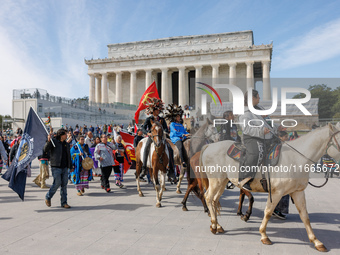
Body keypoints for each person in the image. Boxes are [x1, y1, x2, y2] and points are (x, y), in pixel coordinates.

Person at [238, 90, 284, 191]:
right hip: (252, 138)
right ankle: (245, 178)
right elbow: (246, 129)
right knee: (256, 153)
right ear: (252, 99)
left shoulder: (259, 109)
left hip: (265, 135)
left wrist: (277, 127)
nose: (259, 99)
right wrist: (261, 131)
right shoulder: (245, 112)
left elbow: (266, 123)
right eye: (258, 97)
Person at [140, 98, 176, 181]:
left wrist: (165, 132)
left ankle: (171, 170)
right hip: (152, 137)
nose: (157, 111)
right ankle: (144, 168)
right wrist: (147, 133)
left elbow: (166, 129)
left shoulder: (162, 119)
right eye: (156, 110)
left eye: (158, 110)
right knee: (146, 148)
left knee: (170, 148)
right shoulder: (149, 119)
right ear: (153, 111)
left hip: (161, 137)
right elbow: (143, 129)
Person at [44, 129, 72, 209]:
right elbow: (45, 150)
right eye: (65, 134)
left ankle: (64, 202)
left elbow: (68, 156)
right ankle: (48, 197)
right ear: (61, 135)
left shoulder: (66, 144)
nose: (66, 136)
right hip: (56, 166)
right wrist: (48, 141)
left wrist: (71, 166)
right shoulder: (53, 141)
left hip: (65, 167)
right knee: (57, 183)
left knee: (64, 185)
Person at [272, 130, 290, 219]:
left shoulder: (283, 146)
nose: (287, 138)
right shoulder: (278, 147)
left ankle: (277, 210)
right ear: (280, 137)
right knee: (283, 192)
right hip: (278, 174)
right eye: (285, 137)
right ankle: (276, 210)